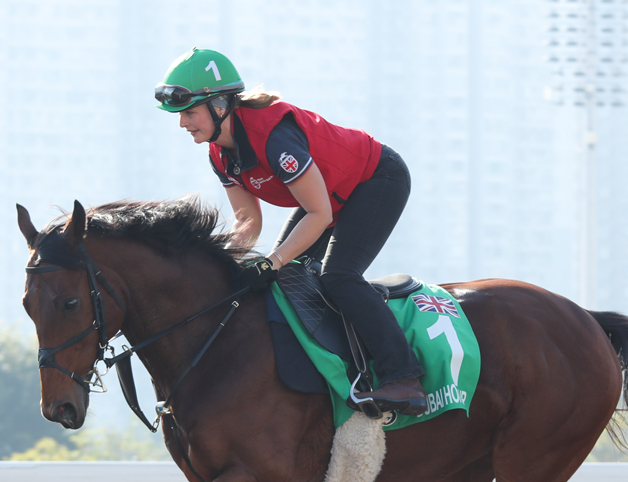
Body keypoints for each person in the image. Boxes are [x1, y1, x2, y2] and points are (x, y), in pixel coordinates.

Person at [155, 47, 427, 415]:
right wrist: (224, 263)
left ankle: (404, 376)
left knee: (338, 276)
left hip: (377, 180)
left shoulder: (275, 139)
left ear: (220, 106)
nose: (183, 123)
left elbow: (319, 213)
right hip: (328, 195)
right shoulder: (219, 152)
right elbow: (248, 222)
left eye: (189, 112)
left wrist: (274, 259)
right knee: (284, 279)